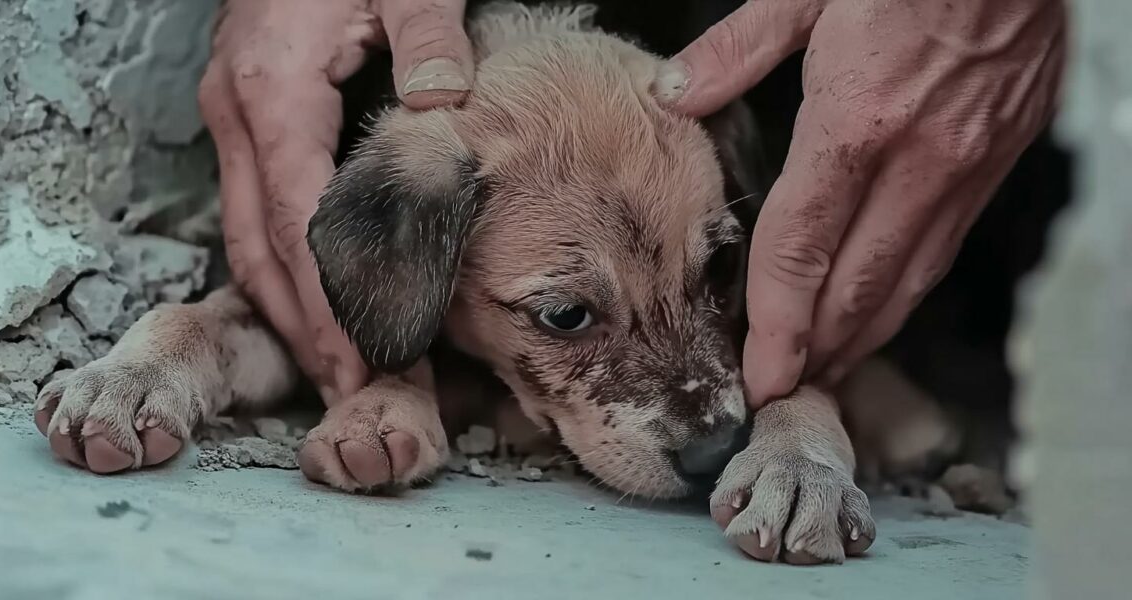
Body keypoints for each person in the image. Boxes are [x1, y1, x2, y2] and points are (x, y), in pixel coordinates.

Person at [198, 0, 1064, 408]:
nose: (707, 409)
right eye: (570, 314)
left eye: (714, 270)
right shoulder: (425, 194)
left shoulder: (708, 129)